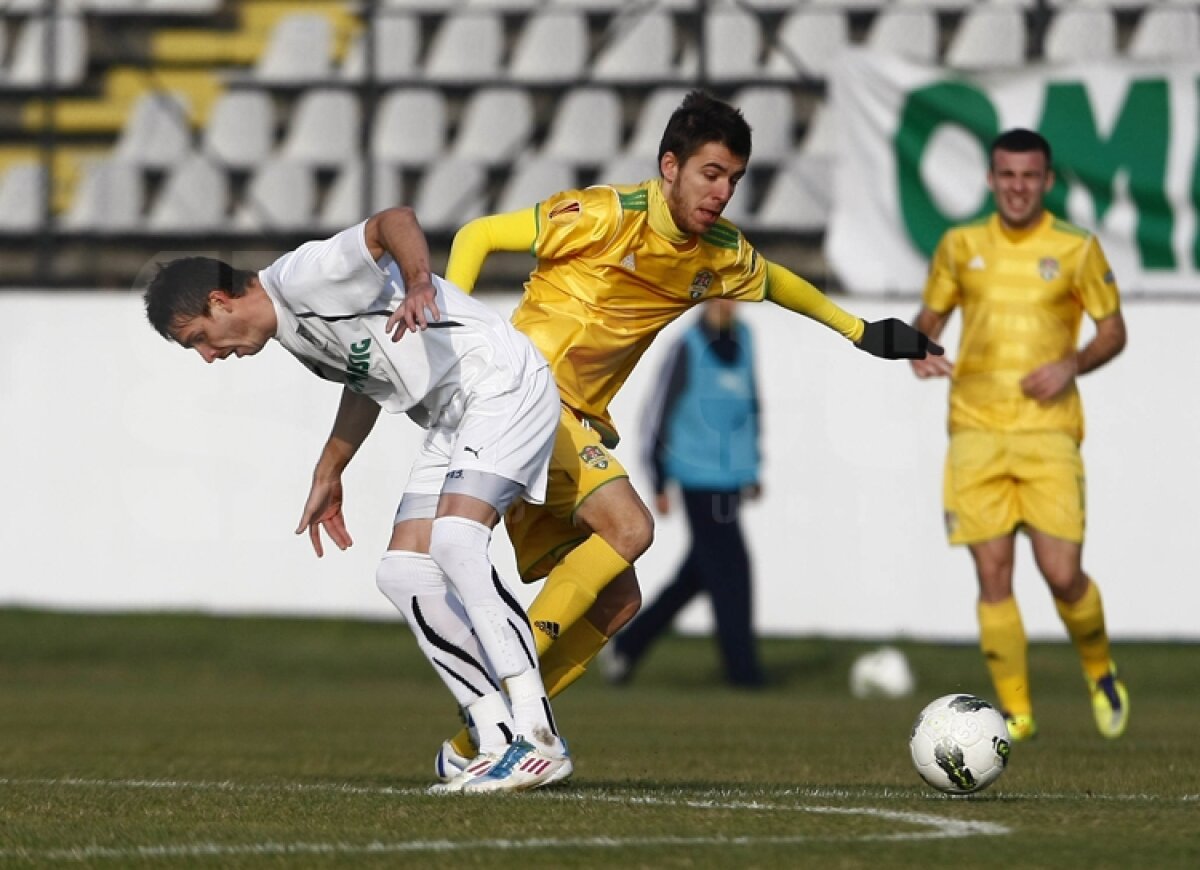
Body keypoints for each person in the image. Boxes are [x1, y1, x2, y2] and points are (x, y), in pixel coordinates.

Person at [393, 91, 942, 776]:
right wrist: (452, 338)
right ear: (670, 166)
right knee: (631, 527)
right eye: (711, 174)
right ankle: (510, 695)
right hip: (523, 397)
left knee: (619, 601)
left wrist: (861, 332)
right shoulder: (603, 215)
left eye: (734, 179)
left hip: (570, 427)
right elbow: (477, 234)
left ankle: (472, 747)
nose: (722, 192)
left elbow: (777, 282)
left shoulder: (719, 252)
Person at [142, 207, 573, 793]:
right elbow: (365, 380)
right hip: (452, 416)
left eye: (198, 339)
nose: (208, 356)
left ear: (219, 302)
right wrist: (331, 468)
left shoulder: (303, 276)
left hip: (500, 381)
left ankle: (539, 738)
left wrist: (419, 282)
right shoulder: (293, 329)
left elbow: (392, 221)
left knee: (455, 541)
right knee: (403, 573)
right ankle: (494, 734)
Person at [910, 128, 1129, 742]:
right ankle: (1016, 715)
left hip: (1048, 432)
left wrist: (1071, 364)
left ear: (1047, 181)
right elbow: (929, 319)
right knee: (993, 574)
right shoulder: (960, 244)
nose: (1017, 187)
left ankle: (1100, 669)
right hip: (975, 430)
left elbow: (1114, 331)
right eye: (1007, 174)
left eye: (1029, 176)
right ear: (990, 179)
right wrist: (918, 345)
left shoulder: (1076, 248)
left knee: (1062, 574)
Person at [605, 298, 766, 688]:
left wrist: (752, 467)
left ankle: (627, 647)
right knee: (732, 571)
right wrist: (659, 480)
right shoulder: (687, 345)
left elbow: (750, 406)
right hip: (696, 477)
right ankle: (743, 673)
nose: (729, 304)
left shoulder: (745, 340)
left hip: (730, 480)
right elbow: (657, 413)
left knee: (699, 574)